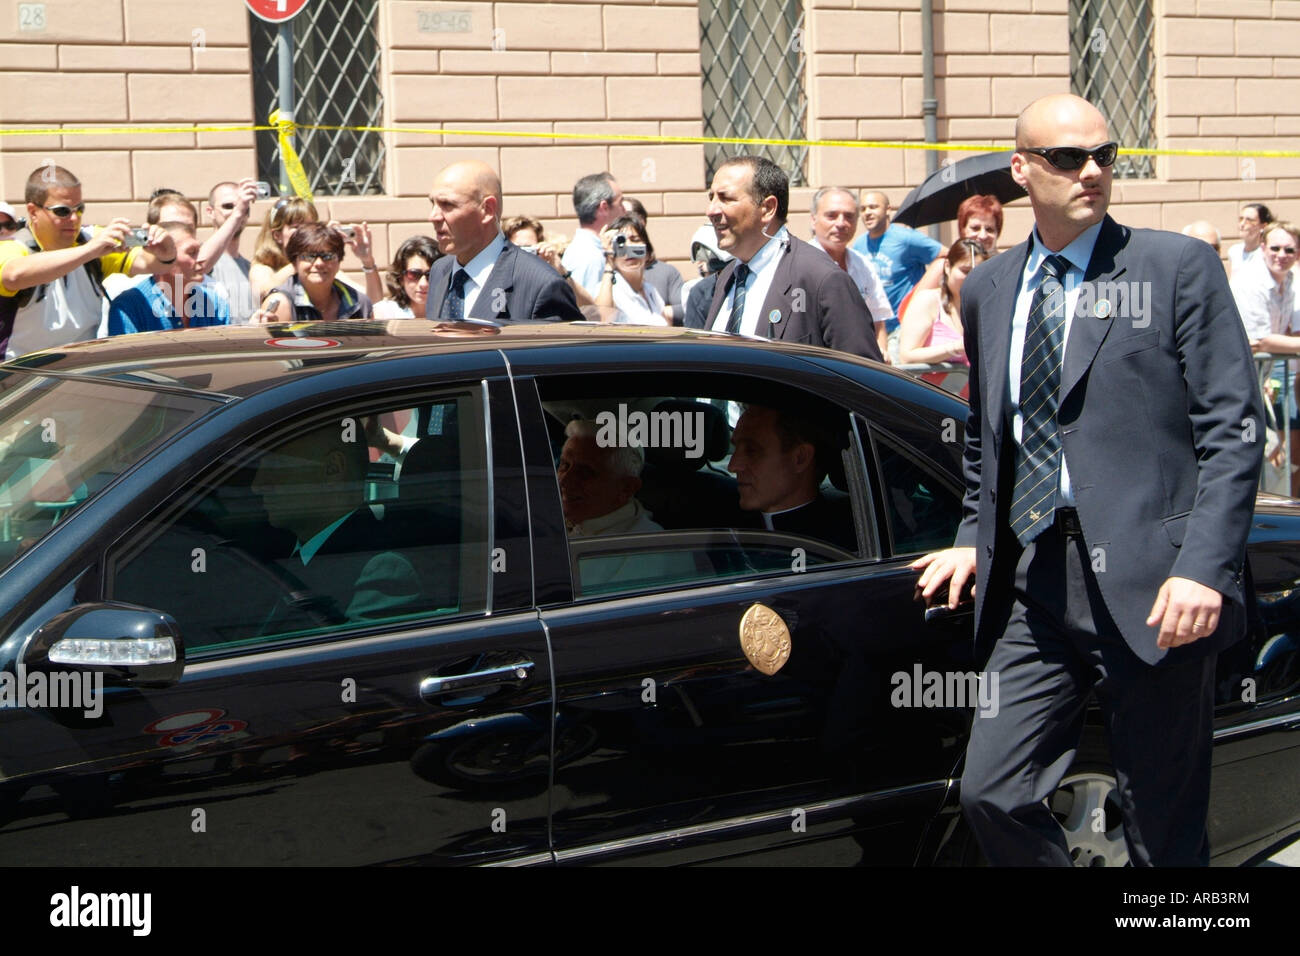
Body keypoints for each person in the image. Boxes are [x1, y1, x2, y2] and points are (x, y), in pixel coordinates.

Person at [912, 93, 1263, 866]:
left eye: (1107, 155)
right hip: (1034, 580)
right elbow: (987, 439)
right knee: (991, 792)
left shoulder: (1175, 268)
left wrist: (1202, 569)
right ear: (1022, 170)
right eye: (1069, 159)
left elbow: (1235, 435)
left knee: (1160, 826)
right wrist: (974, 537)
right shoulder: (991, 288)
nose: (1093, 172)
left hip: (1157, 585)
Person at [695, 156, 883, 361]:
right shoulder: (729, 276)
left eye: (726, 198)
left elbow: (864, 380)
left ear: (767, 208)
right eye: (711, 197)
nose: (711, 210)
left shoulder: (822, 279)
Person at [250, 422, 424, 630]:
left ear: (333, 469)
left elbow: (352, 660)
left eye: (275, 466)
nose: (257, 485)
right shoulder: (281, 547)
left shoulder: (382, 569)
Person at [0, 164, 178, 360]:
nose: (74, 218)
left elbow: (152, 263)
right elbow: (13, 275)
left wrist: (166, 251)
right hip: (17, 381)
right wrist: (88, 251)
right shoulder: (14, 246)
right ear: (33, 211)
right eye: (62, 211)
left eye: (79, 209)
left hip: (79, 376)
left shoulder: (91, 238)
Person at [424, 160, 583, 323]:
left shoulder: (542, 286)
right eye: (433, 203)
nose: (433, 216)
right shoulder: (440, 271)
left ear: (487, 209)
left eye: (447, 204)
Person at [556, 418, 691, 592]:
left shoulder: (656, 554)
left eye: (585, 473)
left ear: (627, 488)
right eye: (564, 465)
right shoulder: (541, 515)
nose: (564, 480)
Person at [728, 404, 857, 553]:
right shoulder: (724, 527)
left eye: (752, 451)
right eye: (736, 448)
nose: (733, 466)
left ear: (800, 458)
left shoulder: (842, 550)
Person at [1233, 221, 1300, 494]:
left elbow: (1289, 330)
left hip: (1268, 376)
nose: (1281, 254)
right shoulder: (1251, 282)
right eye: (1275, 248)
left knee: (1280, 454)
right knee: (1251, 452)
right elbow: (1261, 340)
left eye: (1289, 249)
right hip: (1240, 379)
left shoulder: (1291, 279)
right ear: (1262, 248)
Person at [850, 189, 942, 358]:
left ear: (888, 210)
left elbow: (946, 257)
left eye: (873, 207)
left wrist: (923, 289)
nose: (867, 213)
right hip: (876, 329)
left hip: (904, 326)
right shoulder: (859, 245)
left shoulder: (906, 238)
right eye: (863, 209)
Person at [807, 186, 894, 359]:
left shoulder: (863, 265)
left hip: (860, 370)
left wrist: (881, 356)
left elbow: (878, 321)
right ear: (813, 220)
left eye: (849, 216)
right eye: (831, 215)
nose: (841, 223)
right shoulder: (799, 264)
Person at [249, 197, 382, 304]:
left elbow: (373, 301)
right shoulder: (262, 268)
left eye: (309, 226)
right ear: (277, 235)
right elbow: (263, 293)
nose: (305, 232)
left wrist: (367, 261)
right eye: (296, 227)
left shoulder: (320, 266)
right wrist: (303, 258)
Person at [897, 238, 987, 395]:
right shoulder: (928, 300)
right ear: (947, 267)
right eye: (965, 271)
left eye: (977, 273)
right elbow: (906, 356)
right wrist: (954, 349)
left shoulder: (982, 307)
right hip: (932, 403)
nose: (971, 279)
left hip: (970, 406)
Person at [107, 222, 230, 334]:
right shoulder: (129, 307)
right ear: (164, 257)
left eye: (199, 250)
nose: (202, 258)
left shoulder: (216, 304)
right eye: (192, 252)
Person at [902, 194, 1005, 324]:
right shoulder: (944, 266)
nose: (982, 235)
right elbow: (912, 311)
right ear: (962, 229)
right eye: (975, 228)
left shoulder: (1005, 267)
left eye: (989, 229)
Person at [255, 223, 372, 323]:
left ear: (339, 261)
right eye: (309, 256)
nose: (319, 263)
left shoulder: (359, 303)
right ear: (295, 263)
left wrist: (368, 261)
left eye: (327, 256)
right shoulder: (281, 304)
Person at [203, 179, 261, 324]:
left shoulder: (251, 268)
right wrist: (237, 213)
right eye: (228, 206)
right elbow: (199, 266)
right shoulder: (201, 257)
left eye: (243, 208)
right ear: (210, 212)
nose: (237, 212)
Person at [594, 215, 668, 325]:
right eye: (621, 243)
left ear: (647, 252)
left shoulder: (651, 291)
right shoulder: (609, 289)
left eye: (635, 240)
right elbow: (602, 319)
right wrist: (609, 263)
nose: (628, 247)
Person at [623, 197, 685, 324]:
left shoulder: (652, 288)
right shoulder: (609, 280)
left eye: (634, 239)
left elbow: (685, 307)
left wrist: (662, 313)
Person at [561, 172, 624, 297]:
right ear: (604, 207)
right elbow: (590, 312)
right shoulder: (589, 257)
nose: (625, 210)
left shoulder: (594, 251)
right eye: (620, 203)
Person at [373, 236, 440, 319]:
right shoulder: (385, 313)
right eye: (414, 274)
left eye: (431, 275)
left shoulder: (453, 313)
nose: (423, 284)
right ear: (400, 278)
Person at [1229, 203, 1274, 278]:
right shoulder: (1234, 251)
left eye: (1249, 220)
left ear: (1263, 226)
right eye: (1241, 219)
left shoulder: (1267, 254)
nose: (1242, 224)